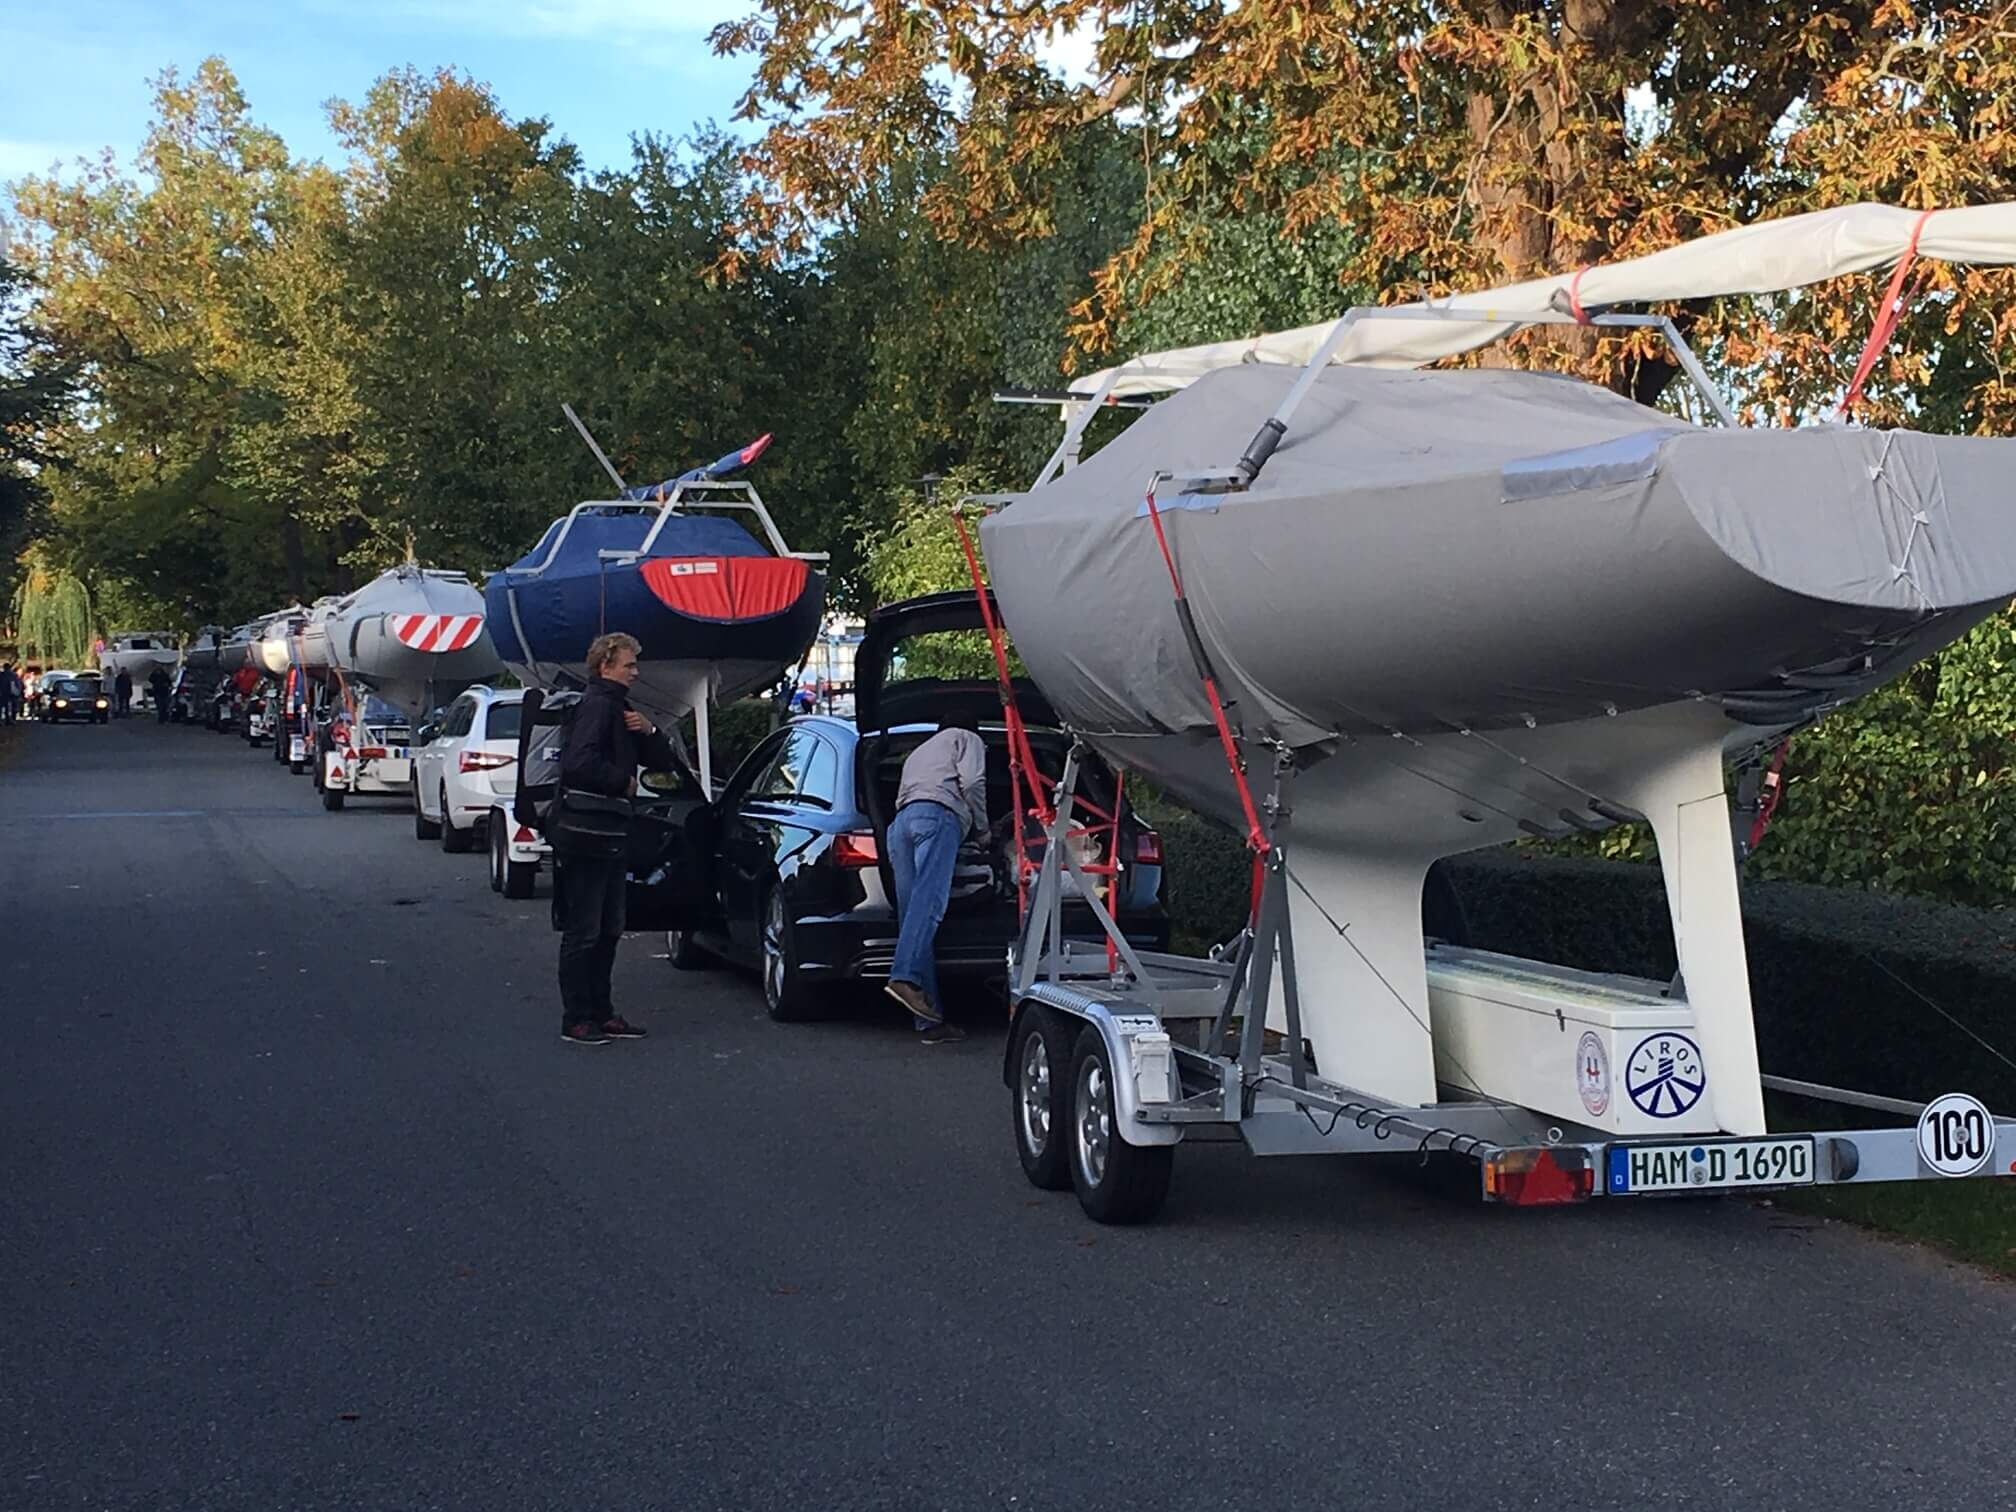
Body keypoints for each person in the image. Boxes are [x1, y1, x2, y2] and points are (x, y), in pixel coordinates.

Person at [554, 631, 678, 1046]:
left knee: (609, 928)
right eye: (629, 665)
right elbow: (578, 763)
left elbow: (663, 763)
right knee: (585, 929)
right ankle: (577, 1017)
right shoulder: (596, 705)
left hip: (610, 832)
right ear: (605, 666)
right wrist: (620, 781)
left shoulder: (620, 708)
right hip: (587, 832)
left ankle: (601, 1011)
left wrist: (648, 731)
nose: (636, 673)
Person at [883, 723, 989, 1046]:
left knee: (913, 915)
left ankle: (928, 1021)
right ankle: (903, 977)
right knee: (930, 905)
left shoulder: (918, 753)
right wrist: (982, 828)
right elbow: (971, 782)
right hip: (938, 818)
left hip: (899, 827)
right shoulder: (967, 737)